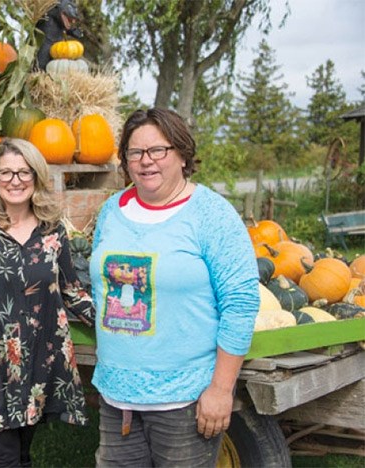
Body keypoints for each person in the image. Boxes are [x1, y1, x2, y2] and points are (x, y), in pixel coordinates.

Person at [90, 108, 260, 467]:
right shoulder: (110, 211)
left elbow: (240, 303)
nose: (145, 161)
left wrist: (220, 390)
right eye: (135, 153)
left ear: (182, 154)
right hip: (117, 399)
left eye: (158, 150)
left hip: (184, 402)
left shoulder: (211, 215)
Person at [0, 138, 95, 467]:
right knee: (5, 459)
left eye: (24, 172)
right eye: (6, 172)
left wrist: (117, 321)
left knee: (22, 455)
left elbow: (71, 291)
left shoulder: (53, 231)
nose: (15, 181)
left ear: (36, 177)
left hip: (39, 359)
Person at [35, 0, 83, 70]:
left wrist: (72, 31)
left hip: (58, 46)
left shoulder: (60, 19)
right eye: (70, 7)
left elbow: (63, 25)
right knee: (41, 63)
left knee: (56, 65)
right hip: (46, 42)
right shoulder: (50, 11)